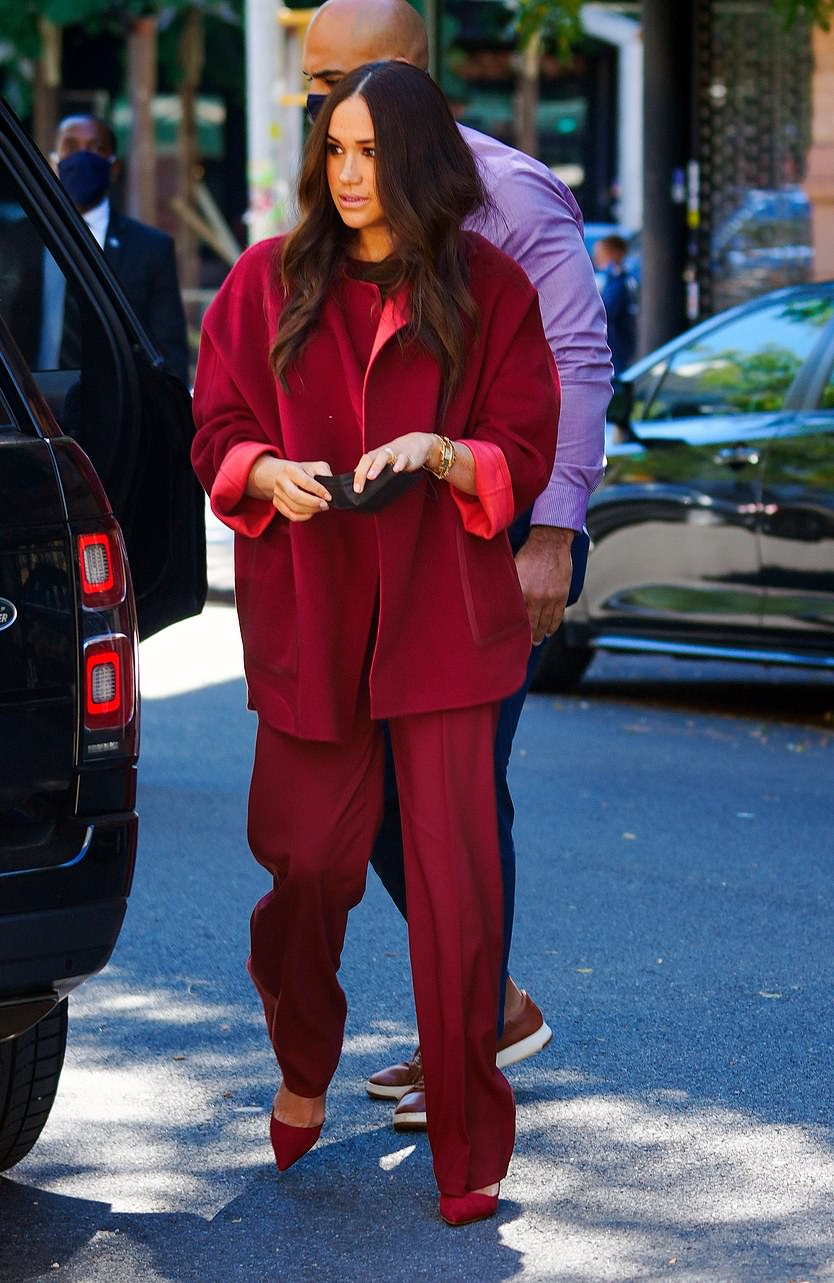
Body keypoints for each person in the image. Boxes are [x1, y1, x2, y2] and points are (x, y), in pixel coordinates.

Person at [190, 62, 559, 1225]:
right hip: (312, 612)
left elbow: (524, 439)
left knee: (454, 891)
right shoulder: (264, 281)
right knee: (304, 860)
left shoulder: (489, 288)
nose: (346, 175)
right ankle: (307, 1056)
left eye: (366, 152)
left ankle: (467, 1148)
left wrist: (444, 454)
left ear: (415, 160)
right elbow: (216, 426)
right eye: (332, 150)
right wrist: (263, 472)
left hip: (444, 624)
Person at [301, 0, 614, 1131]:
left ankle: (470, 1034)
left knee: (454, 791)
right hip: (385, 548)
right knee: (371, 788)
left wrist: (549, 530)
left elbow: (576, 359)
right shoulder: (344, 199)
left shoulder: (509, 192)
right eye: (309, 87)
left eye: (335, 81)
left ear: (399, 72)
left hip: (495, 533)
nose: (317, 107)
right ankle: (483, 1008)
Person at [50, 114, 190, 383]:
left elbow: (169, 351)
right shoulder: (20, 241)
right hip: (33, 407)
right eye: (70, 147)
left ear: (114, 167)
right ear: (53, 161)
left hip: (120, 408)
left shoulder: (151, 248)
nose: (82, 158)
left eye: (95, 148)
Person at [593, 233, 638, 375]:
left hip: (616, 347)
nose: (597, 258)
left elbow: (606, 310)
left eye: (602, 253)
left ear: (615, 254)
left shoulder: (620, 281)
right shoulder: (611, 279)